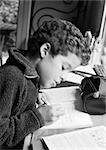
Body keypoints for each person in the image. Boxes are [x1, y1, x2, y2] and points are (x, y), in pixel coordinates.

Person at [0, 18, 91, 149]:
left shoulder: (28, 75)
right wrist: (38, 117)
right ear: (45, 50)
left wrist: (34, 94)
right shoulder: (10, 76)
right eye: (64, 68)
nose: (62, 78)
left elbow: (17, 101)